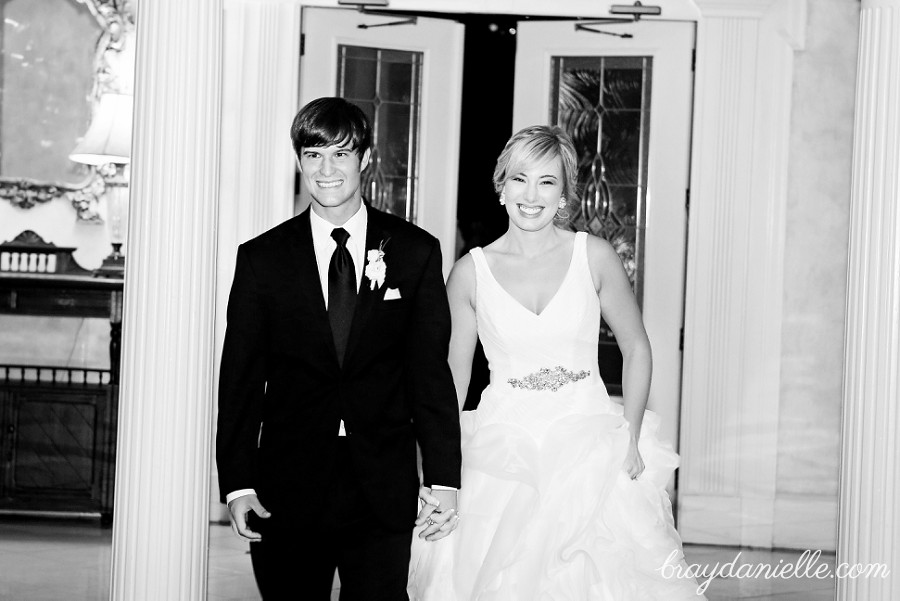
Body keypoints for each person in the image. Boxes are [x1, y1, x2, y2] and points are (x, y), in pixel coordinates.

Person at [408, 125, 704, 599]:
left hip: (590, 447)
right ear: (501, 185)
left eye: (547, 181)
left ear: (565, 194)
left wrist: (627, 437)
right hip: (500, 453)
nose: (531, 195)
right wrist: (436, 467)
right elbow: (450, 380)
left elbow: (638, 348)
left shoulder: (595, 256)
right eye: (520, 178)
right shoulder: (469, 273)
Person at [216, 97, 462, 600]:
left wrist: (443, 477)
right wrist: (238, 483)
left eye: (341, 154)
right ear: (300, 161)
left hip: (382, 488)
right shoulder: (262, 259)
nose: (326, 169)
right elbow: (240, 378)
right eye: (314, 155)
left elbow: (429, 375)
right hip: (286, 487)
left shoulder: (415, 252)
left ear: (366, 158)